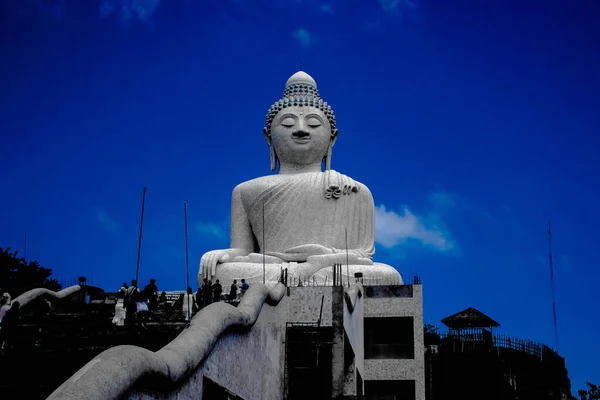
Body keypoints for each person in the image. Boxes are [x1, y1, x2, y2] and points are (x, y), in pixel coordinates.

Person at [198, 71, 402, 287]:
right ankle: (294, 277)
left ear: (332, 138)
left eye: (313, 124)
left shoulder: (354, 190)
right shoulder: (245, 191)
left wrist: (316, 261)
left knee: (388, 275)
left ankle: (298, 277)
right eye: (288, 124)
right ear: (268, 137)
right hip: (270, 266)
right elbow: (243, 251)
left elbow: (362, 255)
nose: (301, 130)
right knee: (220, 273)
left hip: (329, 267)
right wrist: (221, 255)